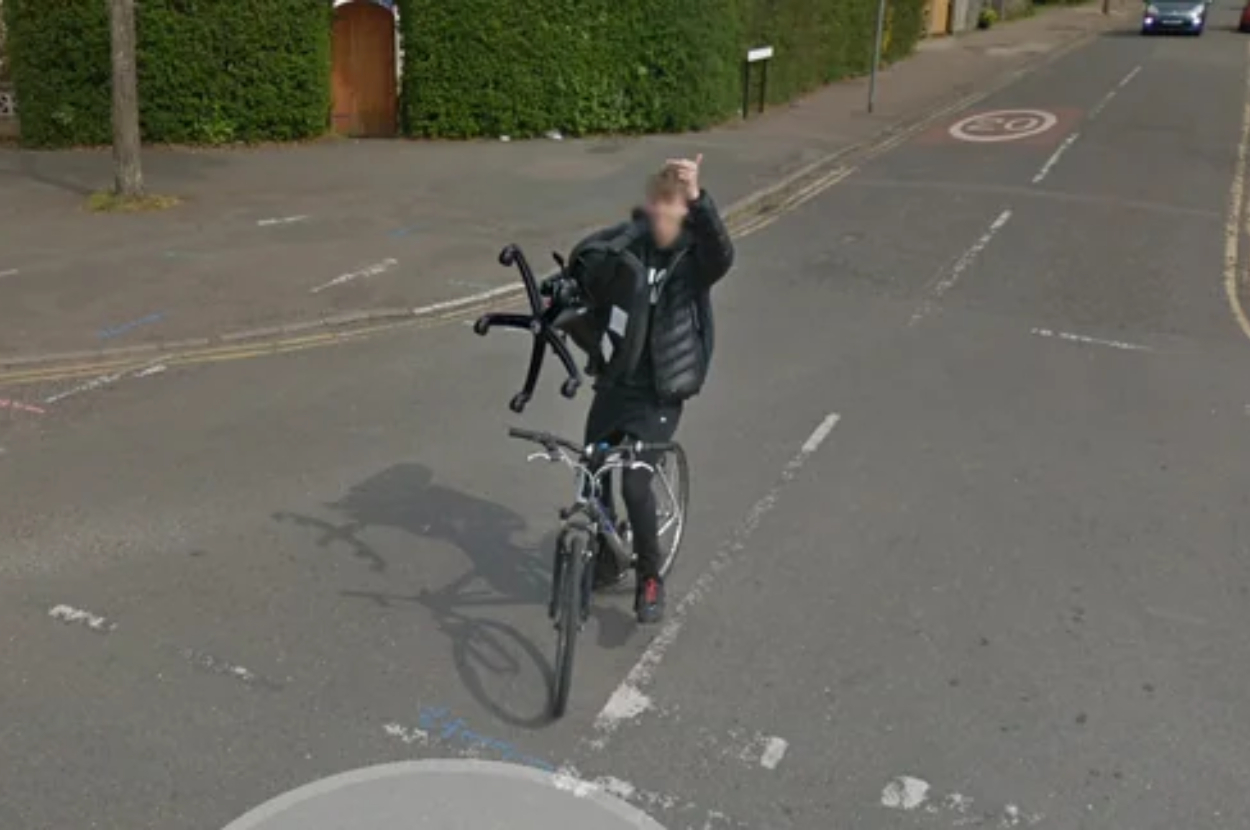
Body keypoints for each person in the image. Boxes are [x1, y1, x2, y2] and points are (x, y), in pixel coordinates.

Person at [582, 154, 735, 624]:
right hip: (618, 384)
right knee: (590, 468)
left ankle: (650, 577)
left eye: (674, 209)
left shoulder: (695, 261)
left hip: (661, 392)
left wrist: (698, 198)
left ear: (684, 214)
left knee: (634, 482)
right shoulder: (631, 247)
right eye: (657, 207)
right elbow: (589, 269)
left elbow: (722, 252)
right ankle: (607, 556)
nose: (662, 217)